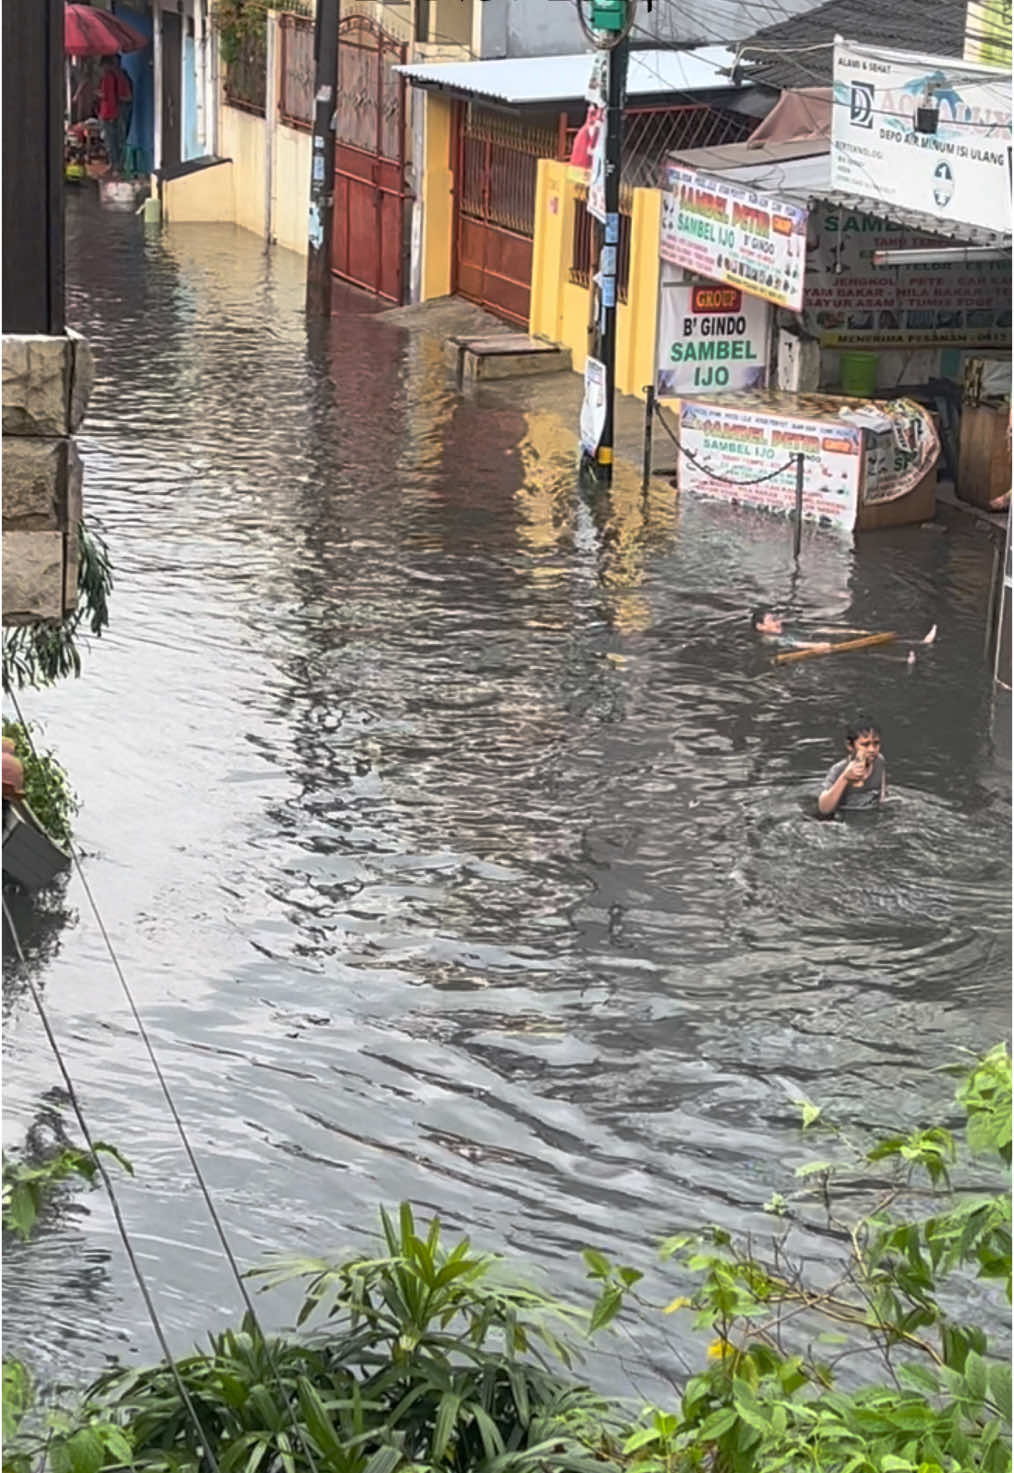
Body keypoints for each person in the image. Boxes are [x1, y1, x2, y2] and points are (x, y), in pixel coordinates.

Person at [751, 608, 937, 661]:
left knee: (858, 640)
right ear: (760, 627)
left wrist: (844, 630)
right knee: (859, 653)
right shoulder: (770, 640)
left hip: (820, 644)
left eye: (776, 618)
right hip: (816, 651)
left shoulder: (787, 629)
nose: (778, 622)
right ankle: (901, 660)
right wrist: (818, 647)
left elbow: (816, 630)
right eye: (772, 621)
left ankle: (919, 642)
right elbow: (794, 646)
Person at [818, 717, 886, 817]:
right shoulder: (838, 769)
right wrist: (845, 778)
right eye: (865, 745)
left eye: (876, 743)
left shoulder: (879, 761)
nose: (872, 749)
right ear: (850, 746)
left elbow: (881, 795)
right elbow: (824, 808)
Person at [97, 55, 122, 172]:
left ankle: (114, 165)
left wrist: (96, 93)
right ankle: (114, 165)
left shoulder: (108, 77)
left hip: (108, 112)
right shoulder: (114, 77)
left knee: (110, 141)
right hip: (111, 112)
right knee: (112, 140)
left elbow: (105, 95)